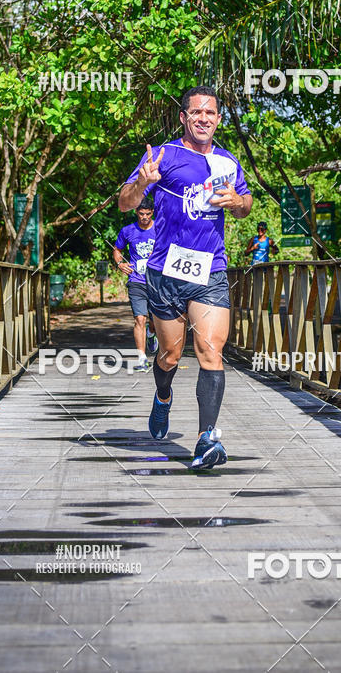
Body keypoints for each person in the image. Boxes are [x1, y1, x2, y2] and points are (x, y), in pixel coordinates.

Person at [118, 85, 253, 469]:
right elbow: (126, 201)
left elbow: (245, 204)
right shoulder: (164, 155)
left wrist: (238, 203)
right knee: (170, 354)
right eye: (196, 112)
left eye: (210, 113)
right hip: (165, 272)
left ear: (219, 119)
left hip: (210, 269)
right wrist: (144, 183)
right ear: (183, 117)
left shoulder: (227, 161)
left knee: (211, 350)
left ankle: (206, 439)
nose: (204, 119)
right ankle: (162, 397)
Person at [113, 196, 158, 372]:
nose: (144, 217)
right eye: (141, 214)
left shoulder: (160, 229)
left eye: (147, 214)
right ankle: (141, 358)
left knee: (155, 320)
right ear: (136, 212)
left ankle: (152, 333)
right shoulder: (128, 231)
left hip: (157, 282)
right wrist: (120, 263)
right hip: (137, 281)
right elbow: (117, 249)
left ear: (152, 212)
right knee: (140, 318)